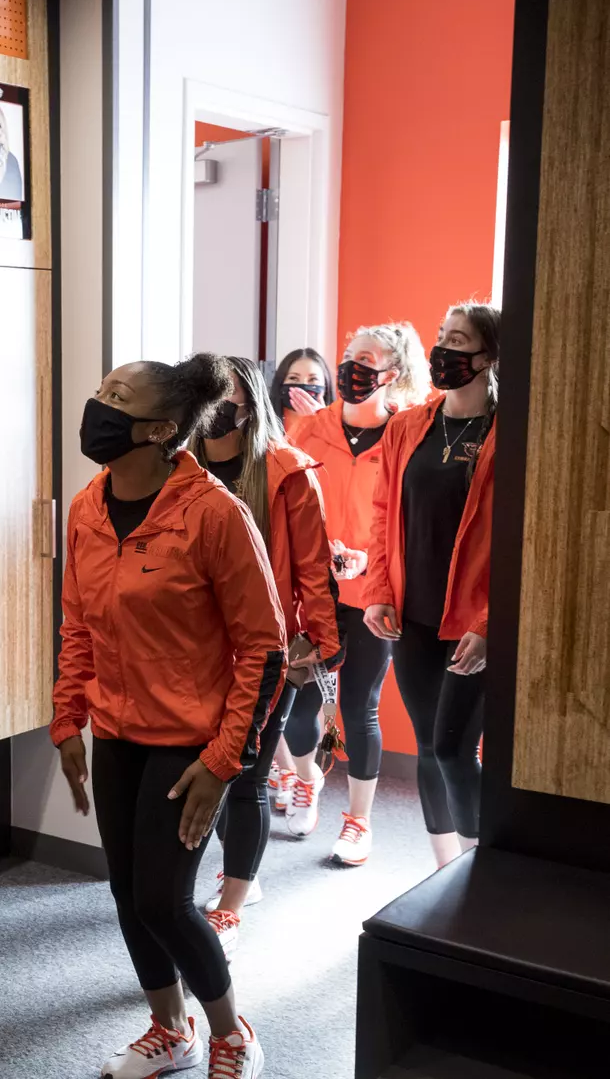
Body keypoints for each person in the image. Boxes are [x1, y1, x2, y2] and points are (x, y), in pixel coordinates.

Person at [54, 354, 283, 1079]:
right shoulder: (89, 507)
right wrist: (68, 721)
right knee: (128, 893)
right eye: (101, 390)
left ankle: (230, 1031)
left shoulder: (215, 514)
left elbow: (264, 649)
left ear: (158, 428)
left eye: (117, 396)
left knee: (165, 898)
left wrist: (225, 761)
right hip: (118, 732)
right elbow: (77, 625)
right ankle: (169, 1028)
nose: (99, 404)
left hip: (189, 742)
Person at [191, 357, 340, 955]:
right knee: (215, 770)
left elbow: (312, 566)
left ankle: (233, 899)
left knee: (249, 773)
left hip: (266, 647)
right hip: (196, 649)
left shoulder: (285, 472)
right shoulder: (181, 467)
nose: (211, 408)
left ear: (249, 403)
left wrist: (322, 645)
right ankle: (236, 873)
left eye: (222, 397)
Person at [278, 324, 431, 860]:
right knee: (293, 704)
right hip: (311, 595)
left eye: (365, 360)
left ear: (395, 373)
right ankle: (306, 778)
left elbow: (409, 519)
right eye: (347, 358)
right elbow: (285, 502)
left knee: (359, 707)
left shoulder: (406, 435)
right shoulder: (308, 429)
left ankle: (358, 822)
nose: (350, 369)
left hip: (372, 594)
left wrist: (370, 558)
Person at [362, 303, 498, 869]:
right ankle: (445, 870)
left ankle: (484, 863)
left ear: (487, 356)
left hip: (473, 620)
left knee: (453, 750)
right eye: (442, 337)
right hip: (411, 613)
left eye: (459, 341)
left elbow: (528, 537)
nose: (444, 350)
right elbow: (381, 511)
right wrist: (377, 591)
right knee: (427, 745)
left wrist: (492, 625)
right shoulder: (408, 426)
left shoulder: (512, 430)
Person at [269, 347, 334, 423]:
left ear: (326, 386)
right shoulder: (264, 422)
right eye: (293, 378)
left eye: (313, 379)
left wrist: (323, 423)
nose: (303, 386)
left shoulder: (338, 424)